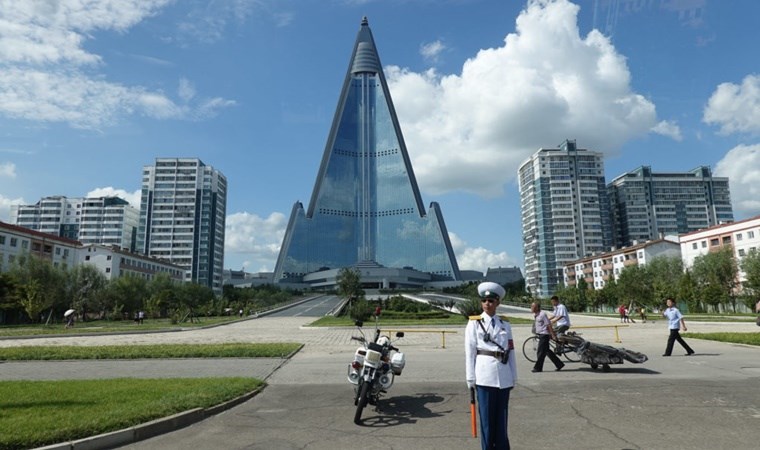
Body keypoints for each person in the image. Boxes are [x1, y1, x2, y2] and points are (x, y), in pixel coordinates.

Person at [465, 281, 517, 450]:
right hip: (484, 376)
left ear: (498, 303)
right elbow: (470, 352)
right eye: (484, 301)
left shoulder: (505, 324)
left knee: (502, 419)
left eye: (491, 301)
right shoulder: (474, 323)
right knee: (487, 420)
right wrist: (470, 377)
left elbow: (511, 351)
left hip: (503, 376)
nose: (487, 304)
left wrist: (513, 375)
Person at [530, 302, 564, 373]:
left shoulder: (542, 314)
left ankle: (538, 368)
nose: (531, 308)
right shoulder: (536, 315)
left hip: (544, 335)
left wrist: (553, 335)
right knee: (547, 351)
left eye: (533, 307)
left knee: (540, 352)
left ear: (537, 308)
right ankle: (559, 364)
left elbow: (548, 325)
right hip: (541, 335)